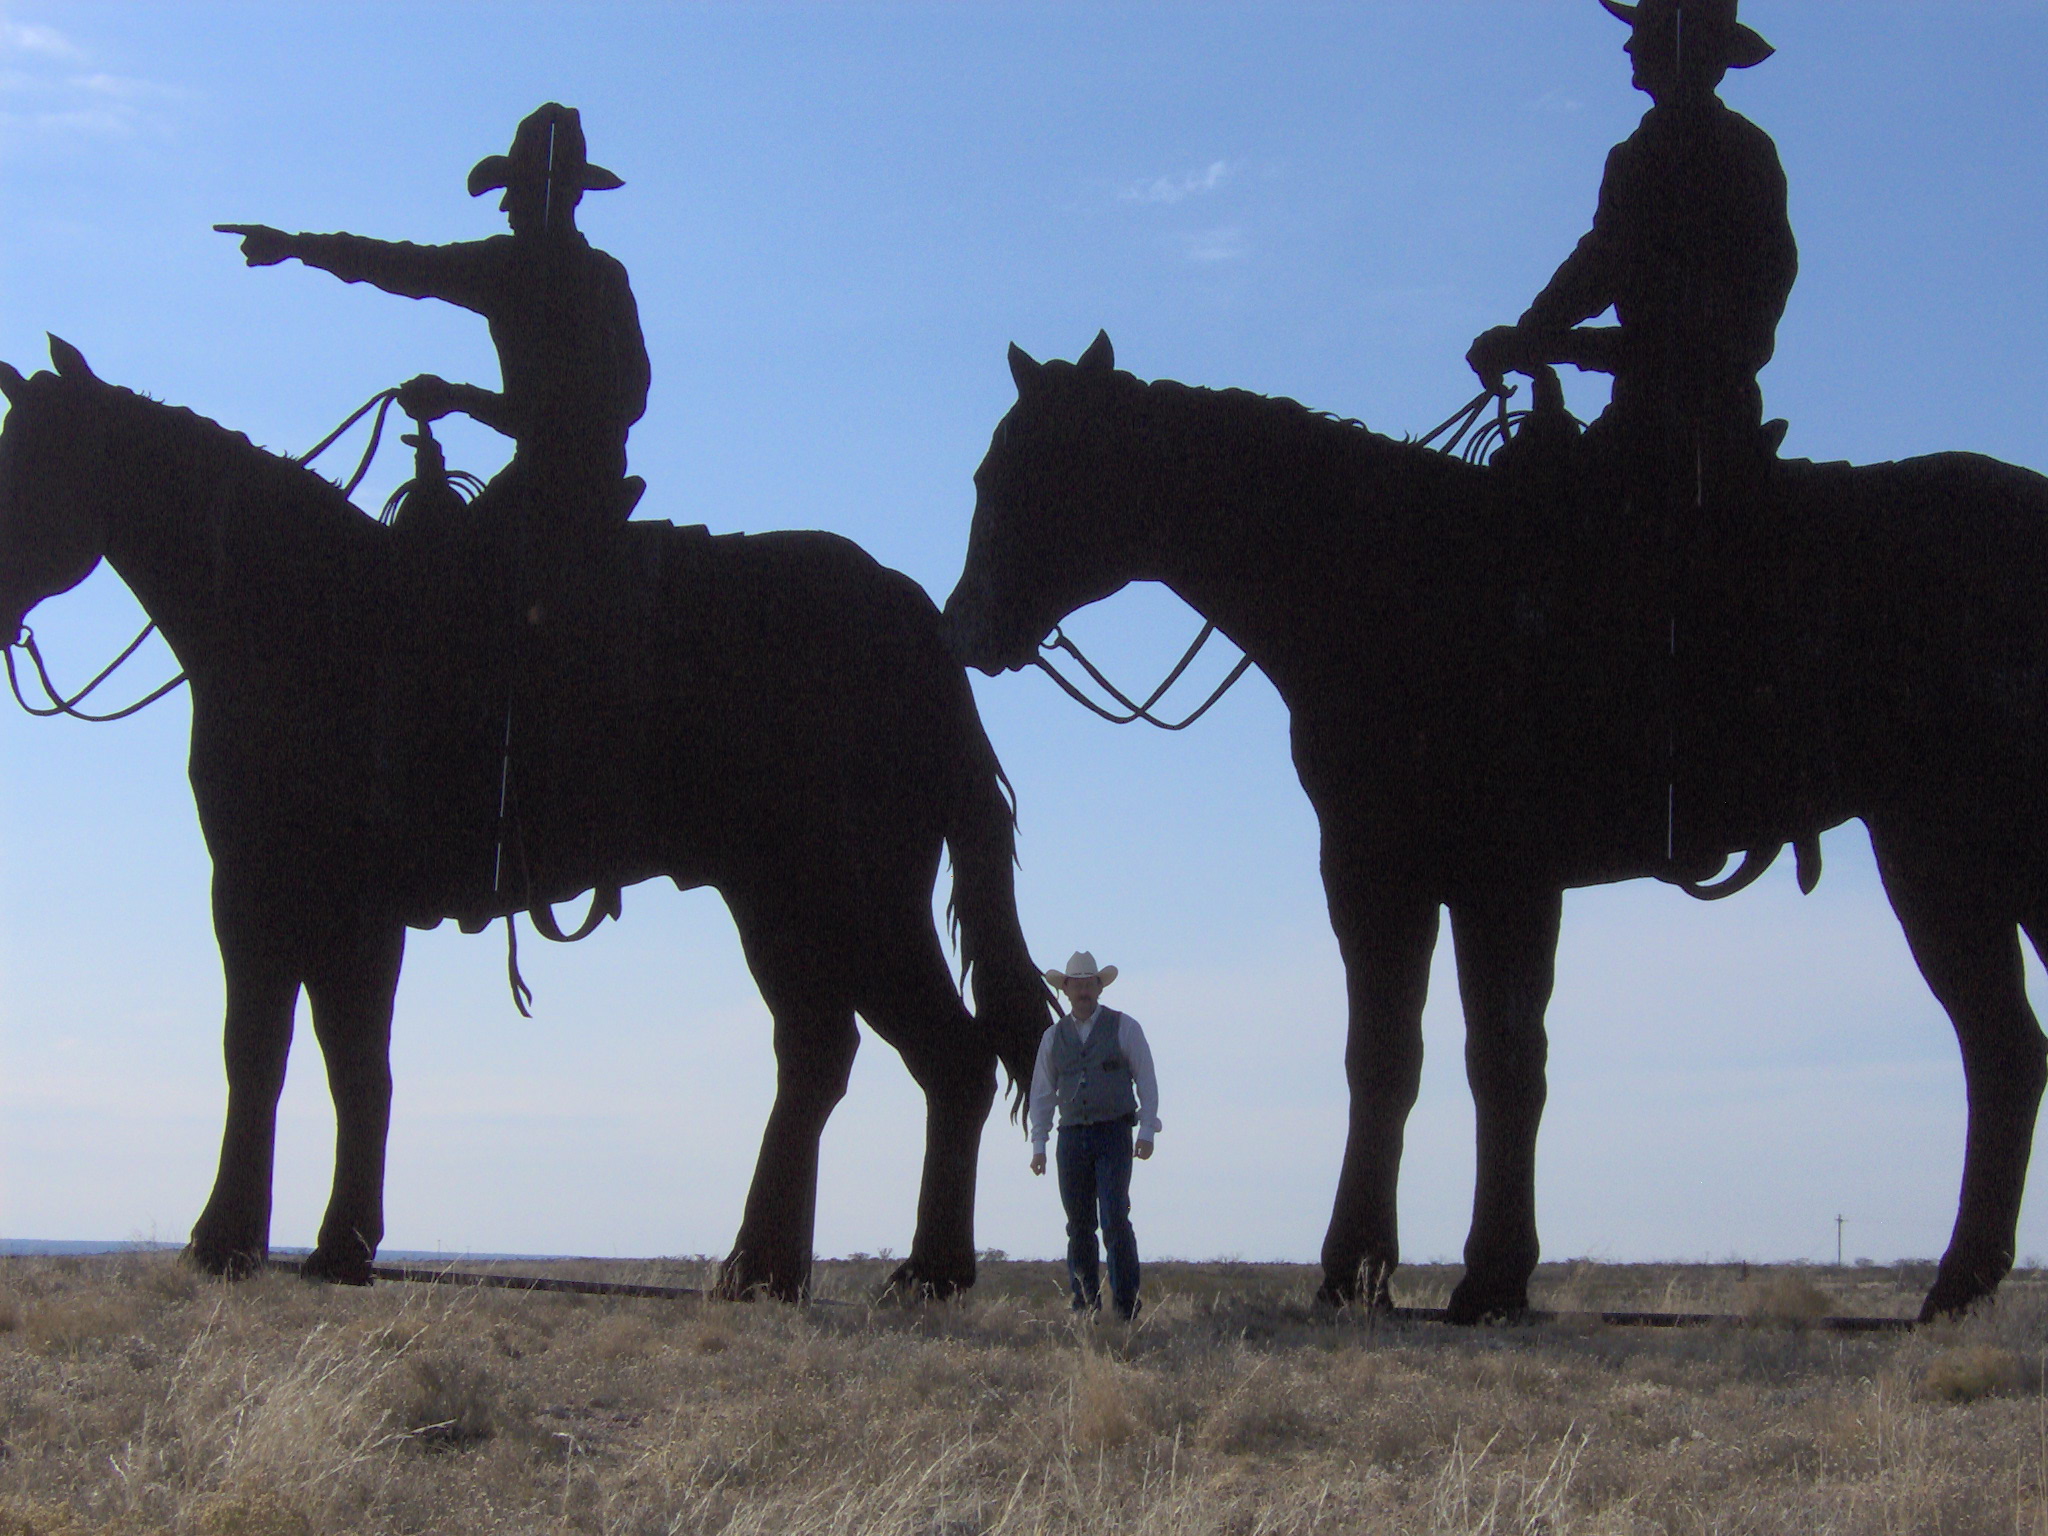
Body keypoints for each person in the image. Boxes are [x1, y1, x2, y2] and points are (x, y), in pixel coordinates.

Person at [217, 102, 651, 539]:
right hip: (589, 478)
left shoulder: (508, 268)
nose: (504, 205)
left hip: (551, 488)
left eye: (515, 189)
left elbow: (403, 267)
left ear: (547, 194)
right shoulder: (603, 275)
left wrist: (455, 397)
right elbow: (626, 400)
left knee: (436, 567)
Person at [1466, 0, 1796, 512]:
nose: (1628, 46)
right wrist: (1532, 336)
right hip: (1653, 408)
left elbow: (1682, 330)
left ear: (1680, 48)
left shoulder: (1725, 155)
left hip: (1692, 427)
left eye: (1645, 33)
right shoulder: (1646, 155)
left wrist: (1538, 341)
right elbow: (1599, 264)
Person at [1028, 951, 1161, 1320]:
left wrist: (1147, 1130)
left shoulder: (1125, 1027)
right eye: (1077, 984)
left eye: (1090, 983)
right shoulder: (1053, 1037)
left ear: (1099, 987)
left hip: (1114, 1133)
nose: (1084, 991)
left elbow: (1146, 1080)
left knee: (1115, 1218)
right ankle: (1085, 1303)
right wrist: (1038, 1144)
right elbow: (1041, 1093)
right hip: (1070, 1137)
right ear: (1066, 989)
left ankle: (1125, 1306)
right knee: (1079, 1224)